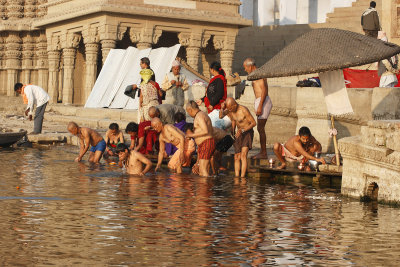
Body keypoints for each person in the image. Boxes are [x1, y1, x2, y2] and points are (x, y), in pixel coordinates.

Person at [243, 58, 273, 159]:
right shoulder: (256, 74)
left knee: (260, 128)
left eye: (245, 67)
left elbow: (264, 90)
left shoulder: (259, 74)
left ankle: (263, 153)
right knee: (260, 128)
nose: (245, 70)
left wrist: (260, 105)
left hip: (263, 101)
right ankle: (263, 152)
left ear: (250, 66)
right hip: (261, 101)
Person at [219, 97, 256, 177]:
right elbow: (221, 116)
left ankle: (242, 178)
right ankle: (236, 178)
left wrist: (243, 130)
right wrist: (222, 109)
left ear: (234, 105)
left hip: (247, 132)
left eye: (230, 109)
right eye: (228, 109)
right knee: (236, 156)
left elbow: (253, 123)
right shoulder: (230, 110)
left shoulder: (243, 110)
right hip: (238, 133)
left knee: (243, 155)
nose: (229, 111)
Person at [196, 61, 230, 129]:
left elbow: (220, 93)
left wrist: (212, 103)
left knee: (216, 126)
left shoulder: (220, 79)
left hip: (217, 107)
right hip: (213, 107)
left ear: (212, 70)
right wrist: (202, 100)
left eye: (210, 69)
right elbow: (210, 92)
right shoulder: (215, 79)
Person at [186, 101, 215, 177]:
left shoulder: (199, 116)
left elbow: (205, 131)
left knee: (203, 170)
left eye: (188, 112)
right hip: (204, 143)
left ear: (190, 110)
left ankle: (205, 188)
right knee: (202, 170)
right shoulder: (200, 115)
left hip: (206, 142)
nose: (189, 114)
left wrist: (192, 134)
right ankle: (205, 188)